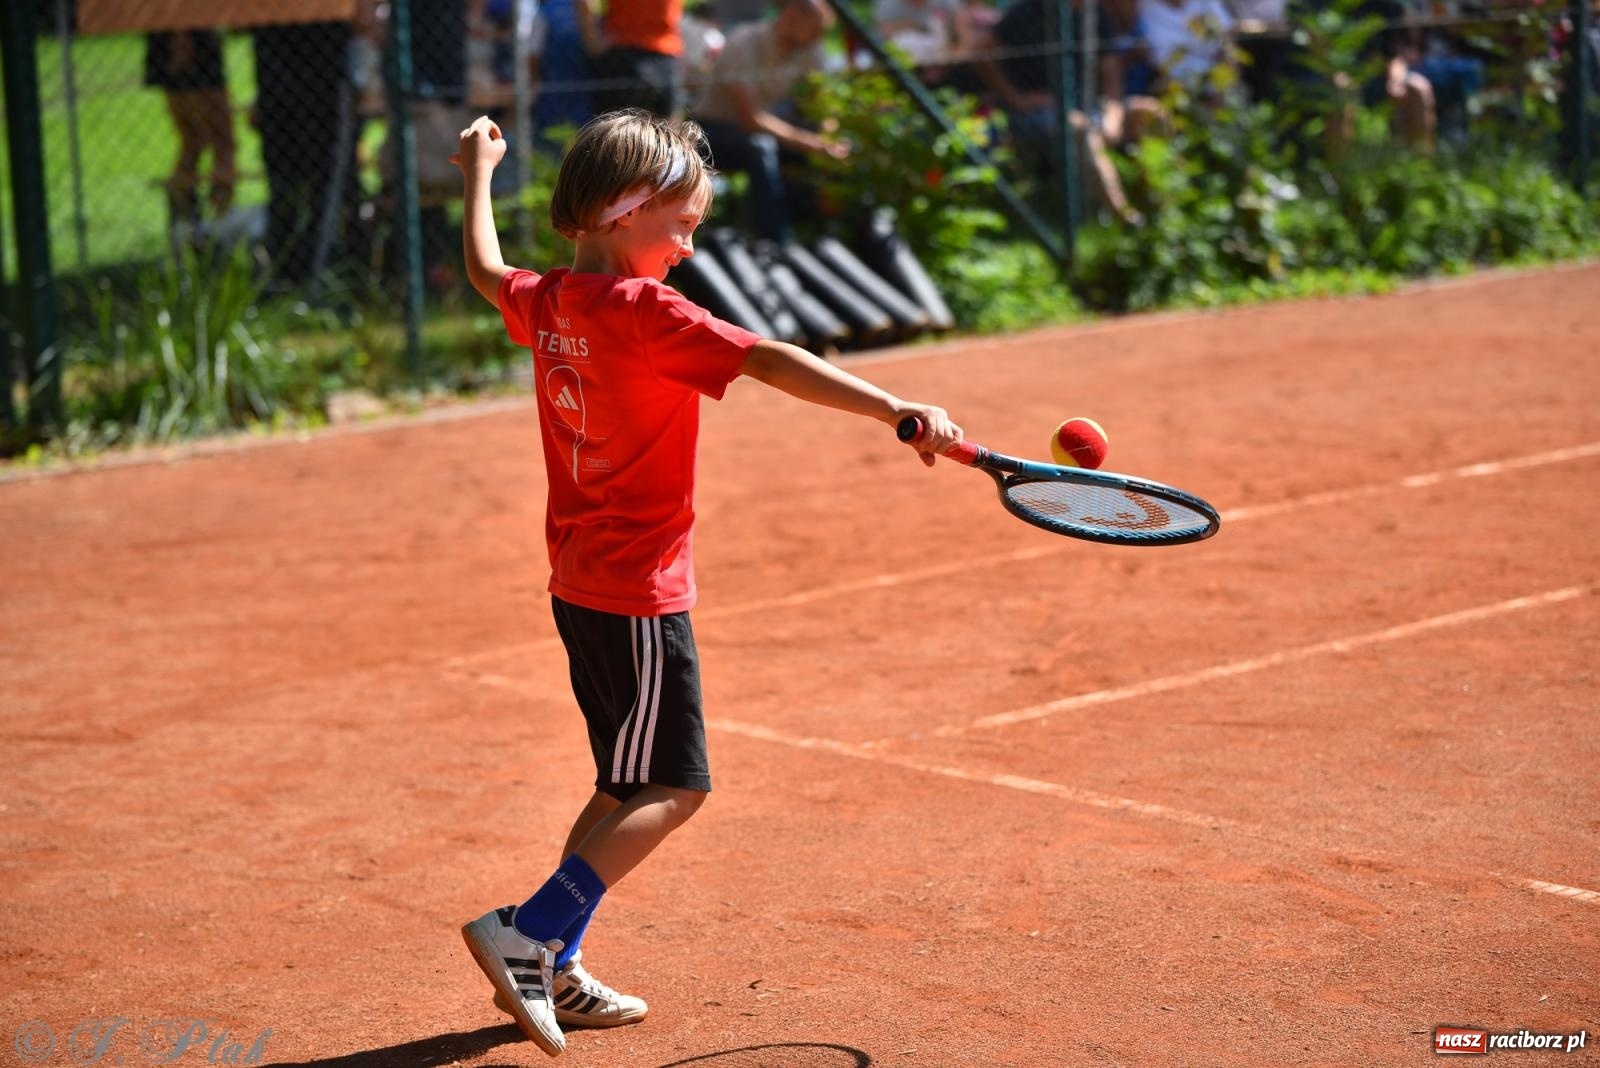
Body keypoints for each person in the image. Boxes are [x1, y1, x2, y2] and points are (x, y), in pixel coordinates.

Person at [449, 107, 962, 1057]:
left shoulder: (551, 298)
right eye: (681, 224)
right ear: (621, 210)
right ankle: (529, 931)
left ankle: (555, 961)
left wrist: (479, 170)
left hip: (580, 581)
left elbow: (485, 268)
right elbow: (767, 358)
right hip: (637, 589)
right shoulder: (648, 313)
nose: (688, 248)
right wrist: (894, 405)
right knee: (674, 788)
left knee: (622, 787)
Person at [689, 0, 851, 243]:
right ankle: (776, 242)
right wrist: (808, 142)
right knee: (761, 148)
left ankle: (828, 234)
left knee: (839, 147)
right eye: (816, 29)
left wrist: (828, 138)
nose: (820, 37)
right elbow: (751, 118)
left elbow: (824, 105)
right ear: (792, 17)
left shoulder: (809, 48)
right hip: (712, 131)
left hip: (765, 130)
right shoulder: (744, 42)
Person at [144, 29, 236, 232]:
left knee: (194, 141)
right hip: (191, 42)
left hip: (171, 40)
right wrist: (182, 39)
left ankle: (185, 220)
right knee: (222, 142)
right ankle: (221, 222)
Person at [585, 0, 687, 117]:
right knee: (664, 122)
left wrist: (593, 39)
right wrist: (593, 40)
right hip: (630, 50)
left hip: (659, 50)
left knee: (618, 121)